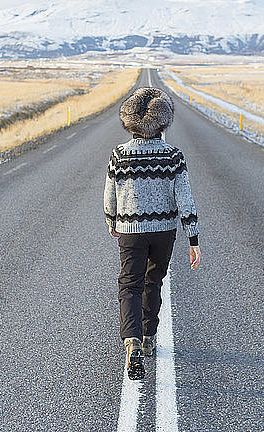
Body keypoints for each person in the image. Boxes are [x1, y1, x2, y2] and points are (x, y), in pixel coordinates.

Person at [104, 86, 201, 380]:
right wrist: (193, 238)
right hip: (164, 232)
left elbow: (110, 195)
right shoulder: (174, 155)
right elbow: (185, 198)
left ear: (130, 121)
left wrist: (112, 221)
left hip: (130, 230)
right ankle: (149, 336)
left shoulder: (119, 154)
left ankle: (131, 340)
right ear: (163, 121)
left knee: (129, 285)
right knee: (153, 281)